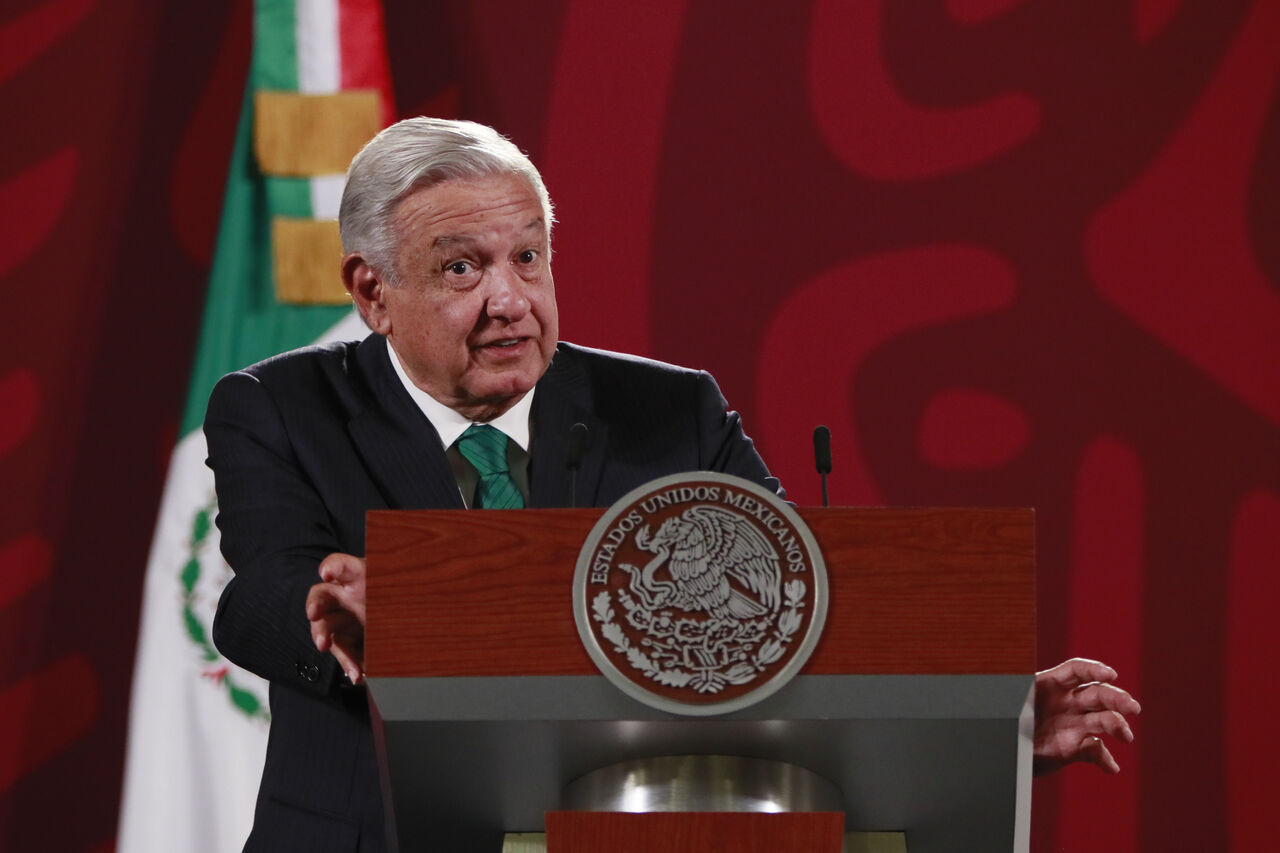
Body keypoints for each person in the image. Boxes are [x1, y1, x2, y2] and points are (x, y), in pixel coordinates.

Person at [206, 118, 1140, 852]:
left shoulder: (668, 410)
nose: (511, 299)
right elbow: (257, 597)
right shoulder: (280, 407)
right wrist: (340, 610)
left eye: (528, 256)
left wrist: (991, 719)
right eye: (462, 268)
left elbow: (803, 619)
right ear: (371, 292)